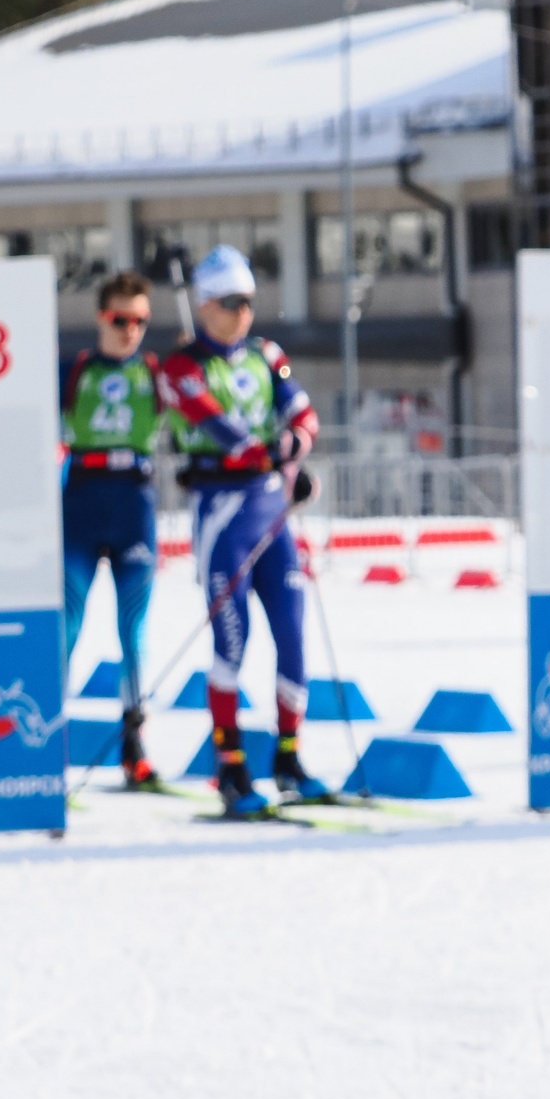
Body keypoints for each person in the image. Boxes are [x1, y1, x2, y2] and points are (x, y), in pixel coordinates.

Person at [156, 246, 322, 818]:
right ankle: (230, 767)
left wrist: (294, 447)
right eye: (230, 302)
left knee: (293, 636)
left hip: (272, 513)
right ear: (205, 305)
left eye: (248, 301)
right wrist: (272, 453)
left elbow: (302, 412)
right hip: (223, 516)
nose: (242, 312)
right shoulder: (182, 367)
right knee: (232, 640)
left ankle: (289, 757)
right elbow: (220, 430)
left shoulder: (268, 356)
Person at [61, 270, 168, 788]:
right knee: (67, 626)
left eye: (140, 321)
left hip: (134, 507)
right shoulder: (76, 369)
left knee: (134, 631)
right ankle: (46, 743)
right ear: (101, 317)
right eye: (120, 320)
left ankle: (134, 745)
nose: (131, 331)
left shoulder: (156, 373)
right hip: (82, 502)